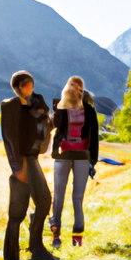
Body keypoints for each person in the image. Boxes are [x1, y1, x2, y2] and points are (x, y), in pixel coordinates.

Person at [1, 70, 58, 260]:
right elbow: (9, 138)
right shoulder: (9, 107)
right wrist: (17, 167)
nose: (30, 88)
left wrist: (54, 120)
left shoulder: (37, 105)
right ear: (17, 86)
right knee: (17, 210)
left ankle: (36, 247)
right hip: (20, 162)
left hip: (32, 159)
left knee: (43, 201)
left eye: (31, 84)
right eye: (26, 85)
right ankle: (10, 257)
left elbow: (44, 127)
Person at [50, 76, 99, 248]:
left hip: (82, 157)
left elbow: (94, 138)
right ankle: (55, 235)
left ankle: (77, 237)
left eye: (80, 88)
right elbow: (56, 129)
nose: (77, 90)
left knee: (77, 198)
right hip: (63, 155)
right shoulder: (62, 107)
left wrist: (92, 161)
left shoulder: (89, 110)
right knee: (58, 196)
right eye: (73, 87)